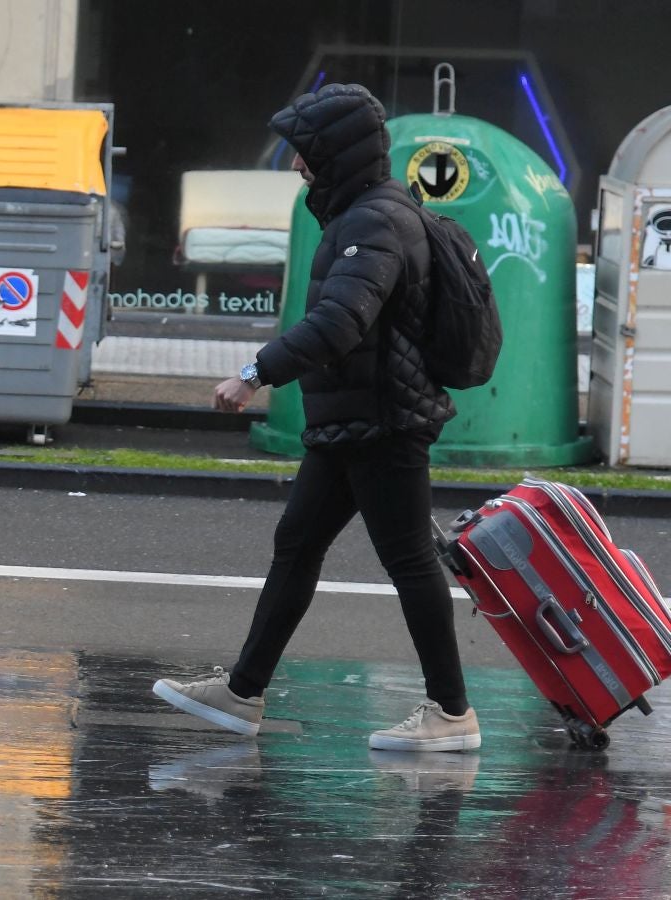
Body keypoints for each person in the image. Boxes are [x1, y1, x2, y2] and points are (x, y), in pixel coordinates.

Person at [153, 83, 478, 752]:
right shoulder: (362, 214)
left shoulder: (374, 223)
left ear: (335, 155)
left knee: (410, 560)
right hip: (352, 421)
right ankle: (242, 693)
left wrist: (253, 375)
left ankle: (452, 714)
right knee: (298, 543)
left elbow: (338, 324)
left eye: (306, 153)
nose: (298, 166)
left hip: (383, 421)